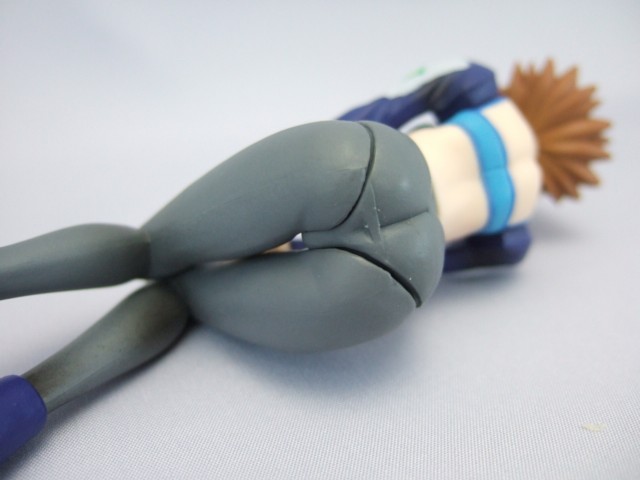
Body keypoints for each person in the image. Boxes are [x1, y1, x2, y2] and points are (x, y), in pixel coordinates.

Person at [0, 60, 609, 462]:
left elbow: (396, 105)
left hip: (369, 161)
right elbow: (467, 259)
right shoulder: (519, 234)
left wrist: (335, 157)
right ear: (567, 173)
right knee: (185, 295)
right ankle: (28, 405)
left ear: (536, 87)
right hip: (398, 277)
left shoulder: (479, 88)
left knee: (152, 248)